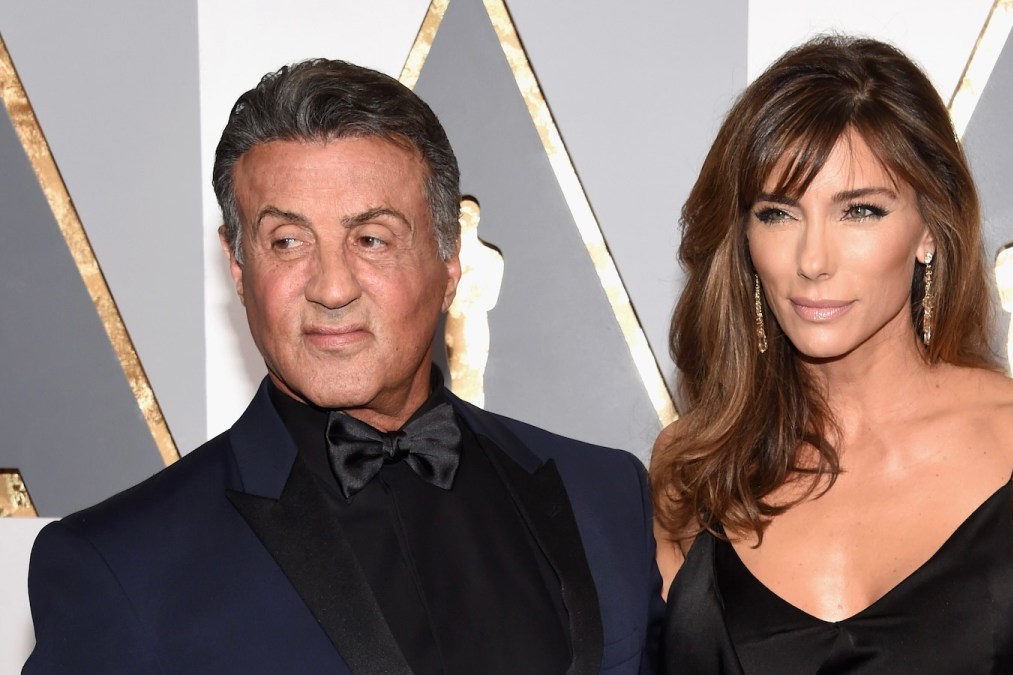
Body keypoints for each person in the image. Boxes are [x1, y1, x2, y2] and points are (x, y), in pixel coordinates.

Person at [24, 59, 661, 674]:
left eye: (372, 238)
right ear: (239, 268)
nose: (331, 287)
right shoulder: (120, 566)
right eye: (287, 241)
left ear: (448, 262)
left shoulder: (603, 497)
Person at [651, 36, 1013, 674]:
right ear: (744, 240)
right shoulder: (696, 468)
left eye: (860, 212)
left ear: (930, 227)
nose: (812, 261)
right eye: (778, 214)